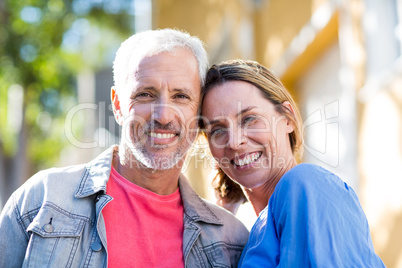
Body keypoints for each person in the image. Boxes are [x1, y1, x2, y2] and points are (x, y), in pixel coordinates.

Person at [0, 29, 249, 267]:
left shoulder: (231, 241)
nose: (163, 115)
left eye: (180, 96)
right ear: (118, 105)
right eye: (145, 94)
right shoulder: (42, 199)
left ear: (198, 112)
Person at [200, 59, 385, 267]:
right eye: (218, 130)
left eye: (249, 119)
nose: (234, 141)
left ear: (287, 118)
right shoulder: (255, 232)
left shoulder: (306, 183)